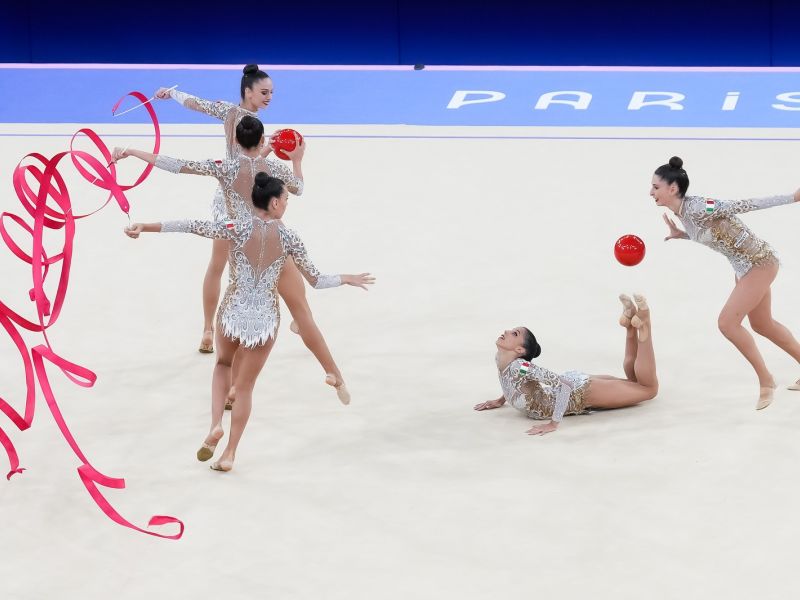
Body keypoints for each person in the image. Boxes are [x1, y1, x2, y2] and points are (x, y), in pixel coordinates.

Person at [115, 121, 373, 471]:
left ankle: (214, 425)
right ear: (277, 203)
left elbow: (190, 223)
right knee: (248, 386)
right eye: (284, 199)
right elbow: (317, 279)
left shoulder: (232, 224)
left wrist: (145, 225)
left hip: (232, 314)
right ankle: (231, 453)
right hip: (264, 321)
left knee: (222, 365)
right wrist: (347, 278)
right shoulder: (290, 238)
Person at [655, 156, 800, 409]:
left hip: (760, 263)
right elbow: (712, 233)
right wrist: (684, 235)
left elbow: (743, 205)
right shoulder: (683, 214)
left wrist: (793, 197)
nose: (651, 192)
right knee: (763, 324)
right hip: (744, 268)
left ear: (673, 188)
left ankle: (766, 380)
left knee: (727, 323)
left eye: (656, 187)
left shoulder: (700, 206)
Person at [475, 294, 658, 435]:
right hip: (580, 386)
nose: (506, 331)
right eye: (512, 332)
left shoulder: (522, 367)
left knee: (649, 389)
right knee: (634, 382)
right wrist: (500, 400)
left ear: (520, 351)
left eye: (514, 334)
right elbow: (514, 382)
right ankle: (630, 326)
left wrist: (553, 423)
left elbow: (565, 385)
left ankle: (644, 323)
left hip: (583, 393)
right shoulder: (502, 360)